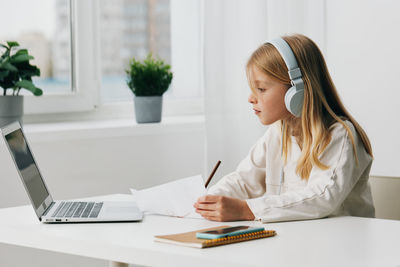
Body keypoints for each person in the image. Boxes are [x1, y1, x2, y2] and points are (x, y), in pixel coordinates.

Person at [194, 34, 375, 223]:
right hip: (298, 242)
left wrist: (247, 210)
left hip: (342, 245)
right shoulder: (277, 133)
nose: (251, 98)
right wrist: (209, 201)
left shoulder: (340, 136)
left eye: (261, 89)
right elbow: (244, 181)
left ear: (296, 92)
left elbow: (322, 197)